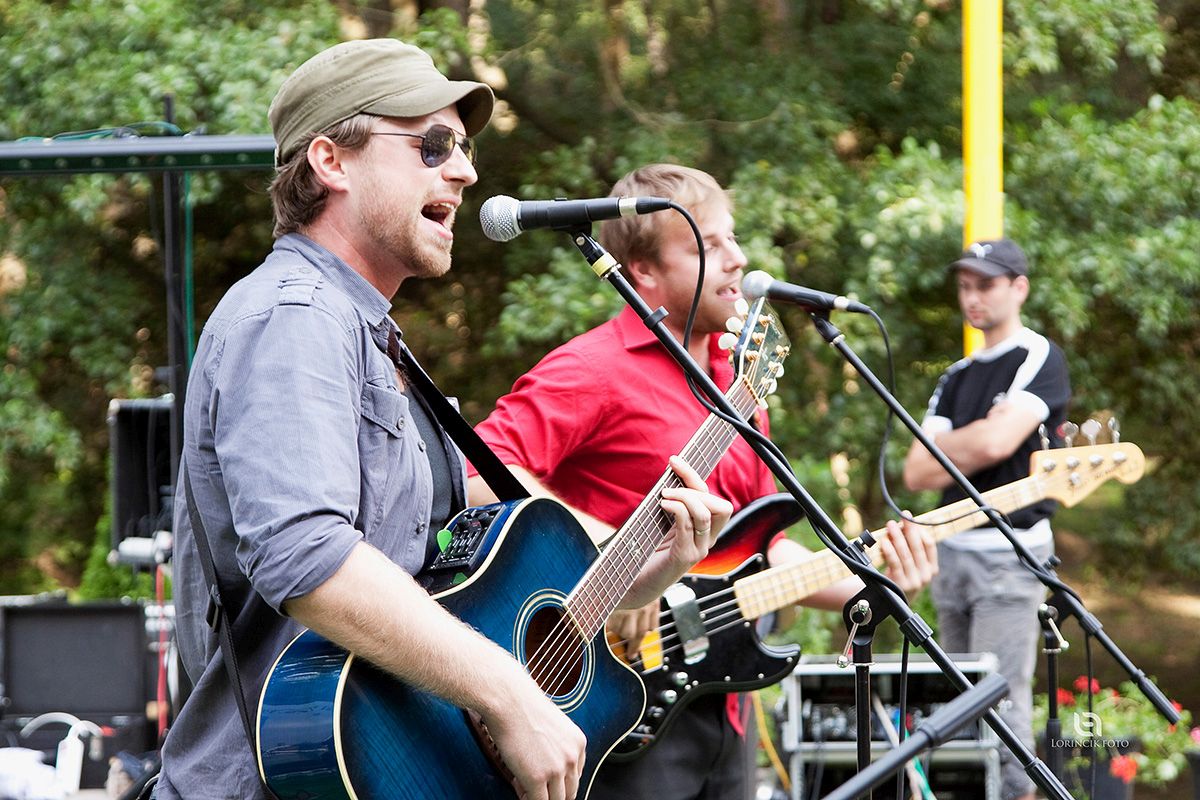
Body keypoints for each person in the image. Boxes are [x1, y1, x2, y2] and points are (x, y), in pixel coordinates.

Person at [158, 40, 733, 800]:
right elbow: (305, 555)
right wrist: (508, 694)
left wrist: (637, 573)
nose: (463, 171)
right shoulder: (293, 315)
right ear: (331, 161)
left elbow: (461, 581)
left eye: (463, 149)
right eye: (432, 144)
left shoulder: (369, 334)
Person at [468, 163, 938, 800]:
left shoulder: (739, 385)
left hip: (725, 702)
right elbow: (479, 473)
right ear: (643, 272)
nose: (737, 259)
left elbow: (759, 550)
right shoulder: (591, 368)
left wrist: (874, 582)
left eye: (733, 238)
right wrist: (612, 555)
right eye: (708, 245)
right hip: (607, 693)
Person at [902, 237, 1071, 800]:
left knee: (1000, 705)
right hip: (952, 553)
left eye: (986, 284)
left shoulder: (1038, 356)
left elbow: (997, 443)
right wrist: (986, 434)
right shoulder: (955, 376)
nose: (972, 297)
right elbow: (917, 471)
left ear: (1019, 288)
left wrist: (964, 441)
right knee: (956, 705)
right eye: (964, 286)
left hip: (1011, 554)